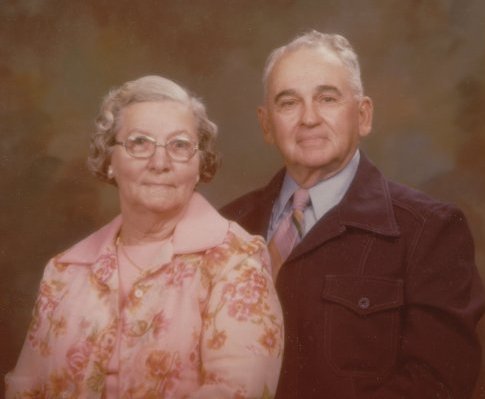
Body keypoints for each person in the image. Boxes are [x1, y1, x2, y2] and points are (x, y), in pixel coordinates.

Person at [220, 31, 485, 398]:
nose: (309, 118)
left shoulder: (429, 229)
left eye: (327, 98)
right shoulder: (226, 226)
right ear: (266, 124)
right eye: (288, 103)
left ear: (363, 115)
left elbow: (437, 381)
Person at [5, 75, 283, 398]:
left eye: (179, 145)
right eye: (139, 143)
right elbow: (23, 390)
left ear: (198, 164)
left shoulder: (237, 263)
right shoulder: (63, 273)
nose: (160, 162)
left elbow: (235, 392)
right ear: (110, 160)